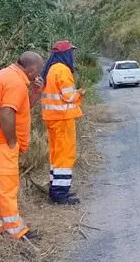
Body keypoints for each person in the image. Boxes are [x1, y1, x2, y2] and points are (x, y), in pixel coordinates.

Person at [0, 51, 45, 240]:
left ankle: (1, 228)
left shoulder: (6, 74)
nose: (39, 75)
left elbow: (19, 109)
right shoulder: (16, 83)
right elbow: (7, 114)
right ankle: (16, 232)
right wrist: (12, 141)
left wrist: (36, 93)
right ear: (31, 70)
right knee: (7, 188)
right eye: (38, 71)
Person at [41, 40, 85, 205]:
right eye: (71, 52)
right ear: (65, 54)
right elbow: (69, 96)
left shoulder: (51, 69)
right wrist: (80, 93)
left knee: (55, 155)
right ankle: (60, 195)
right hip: (63, 119)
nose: (72, 55)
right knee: (65, 155)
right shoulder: (63, 70)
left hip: (52, 119)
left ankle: (56, 189)